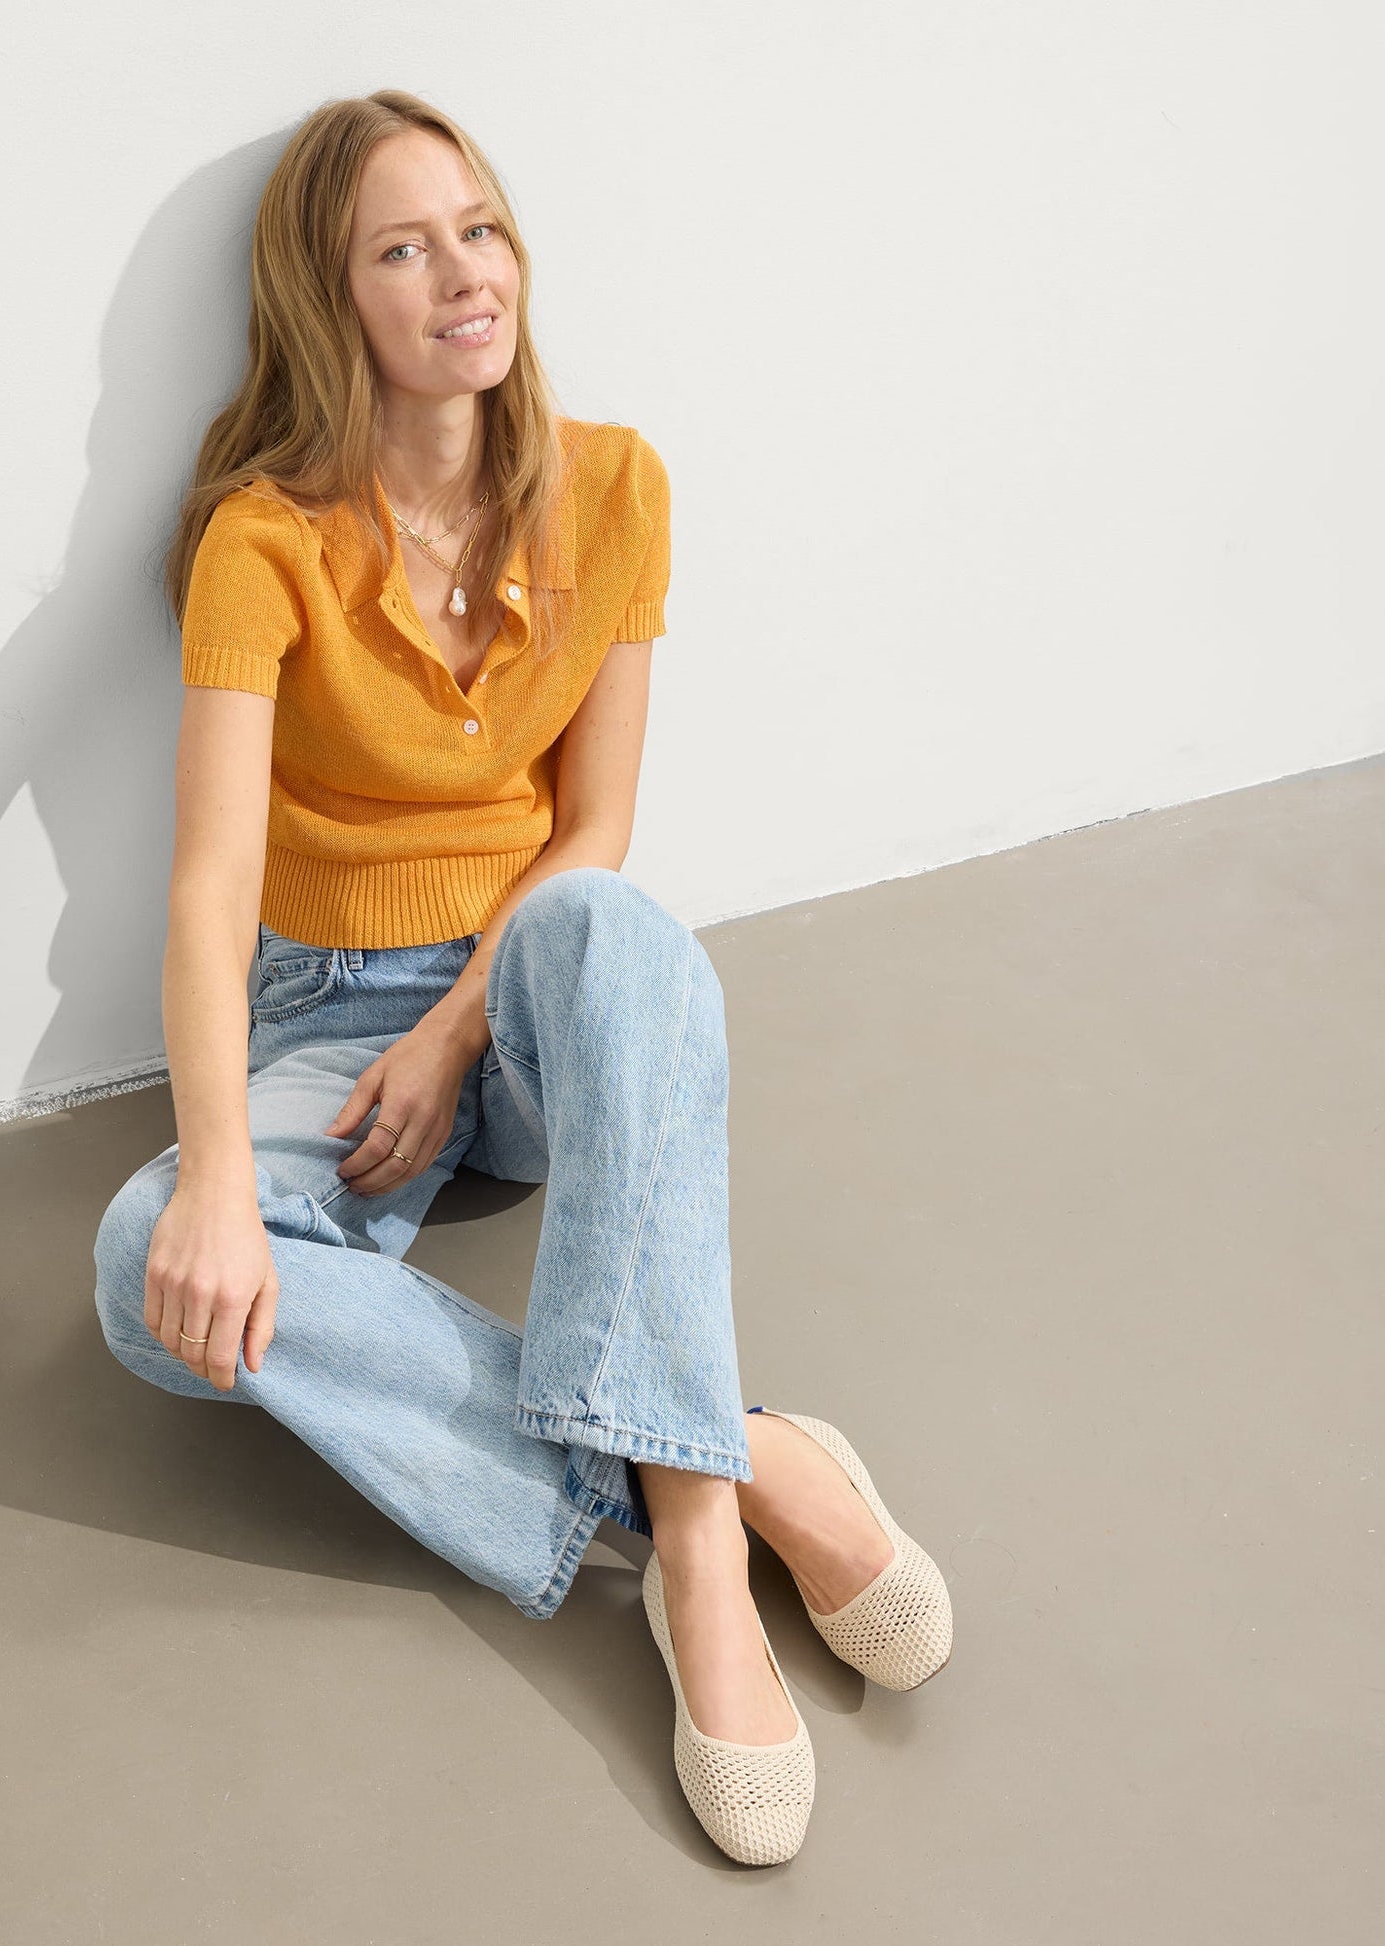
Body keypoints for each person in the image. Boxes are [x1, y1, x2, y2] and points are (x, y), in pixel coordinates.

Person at [94, 89, 951, 1866]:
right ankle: (719, 1465)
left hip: (527, 999)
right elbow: (208, 888)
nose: (462, 275)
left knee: (610, 925)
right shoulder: (262, 539)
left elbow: (593, 830)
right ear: (332, 301)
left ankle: (695, 1569)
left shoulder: (617, 486)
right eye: (402, 251)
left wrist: (454, 1029)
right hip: (325, 1015)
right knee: (137, 1269)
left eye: (477, 229)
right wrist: (226, 1182)